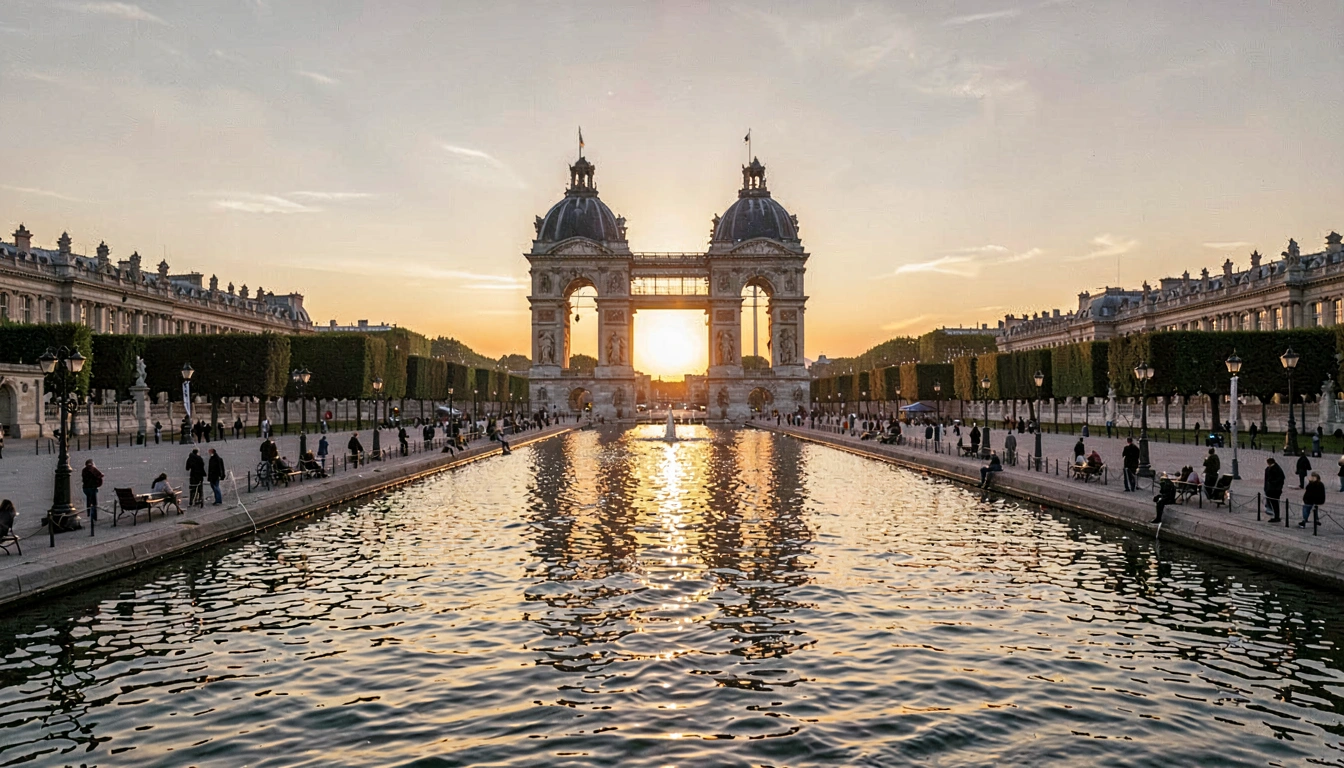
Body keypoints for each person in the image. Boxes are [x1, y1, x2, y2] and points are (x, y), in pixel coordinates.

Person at [81, 458, 103, 525]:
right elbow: (100, 475)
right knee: (94, 503)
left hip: (85, 488)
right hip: (92, 488)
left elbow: (83, 479)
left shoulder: (84, 470)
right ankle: (94, 517)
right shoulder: (93, 469)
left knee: (88, 500)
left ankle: (88, 513)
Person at [1265, 457, 1286, 523]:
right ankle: (1276, 516)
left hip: (1274, 490)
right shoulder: (1273, 468)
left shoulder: (1275, 469)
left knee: (1275, 504)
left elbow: (1279, 479)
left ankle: (1276, 517)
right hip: (1274, 490)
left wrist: (1272, 483)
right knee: (1274, 504)